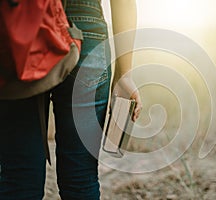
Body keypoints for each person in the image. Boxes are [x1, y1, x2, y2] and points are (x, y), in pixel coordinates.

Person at [0, 0, 142, 199]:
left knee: (19, 177)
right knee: (81, 178)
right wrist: (124, 73)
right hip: (85, 26)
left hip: (21, 25)